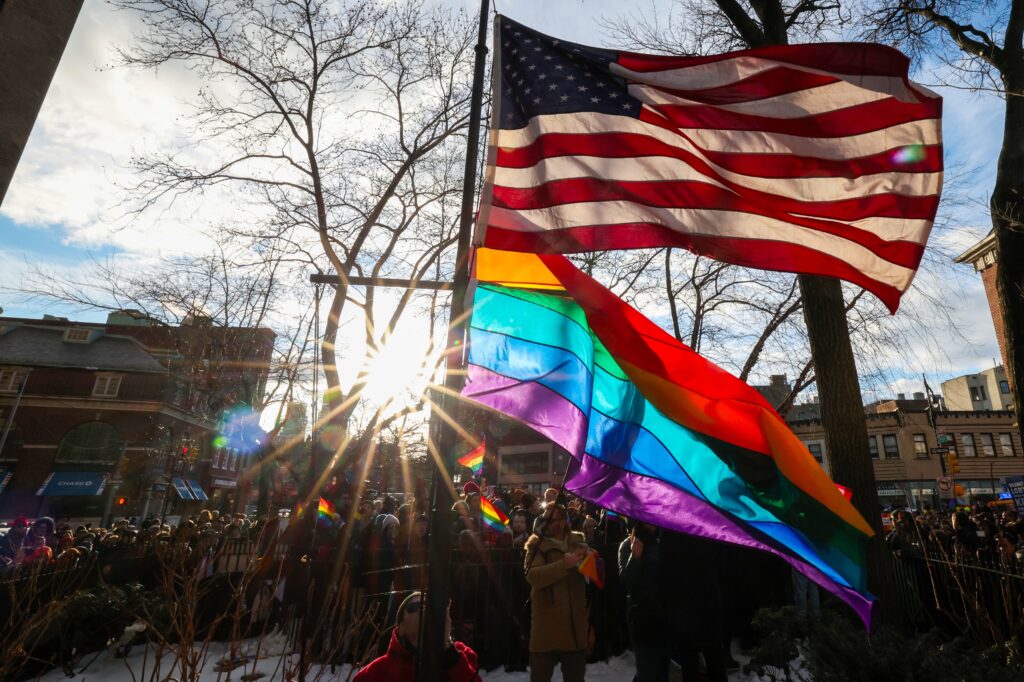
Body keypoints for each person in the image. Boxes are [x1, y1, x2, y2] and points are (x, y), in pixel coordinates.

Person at [524, 503, 589, 682]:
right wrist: (564, 565)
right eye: (549, 519)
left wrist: (591, 561)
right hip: (546, 627)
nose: (554, 523)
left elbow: (594, 577)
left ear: (565, 520)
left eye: (559, 519)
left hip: (574, 625)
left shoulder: (577, 542)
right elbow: (533, 576)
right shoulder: (536, 544)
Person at [353, 591, 481, 681]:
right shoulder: (375, 673)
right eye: (414, 607)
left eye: (427, 606)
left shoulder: (462, 656)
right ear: (400, 628)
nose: (423, 609)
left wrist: (447, 649)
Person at [618, 522, 671, 681]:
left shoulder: (664, 542)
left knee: (662, 669)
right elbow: (627, 581)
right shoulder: (628, 544)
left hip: (664, 615)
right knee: (647, 670)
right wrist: (635, 557)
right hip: (641, 614)